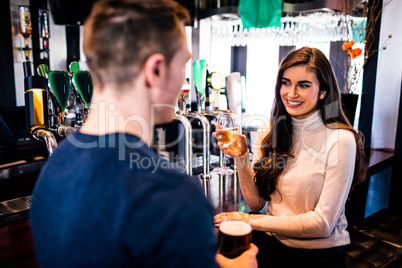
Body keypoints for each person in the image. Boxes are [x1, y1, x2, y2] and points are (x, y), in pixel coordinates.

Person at [29, 0, 258, 267]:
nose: (183, 80)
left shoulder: (56, 165)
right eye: (183, 64)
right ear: (156, 70)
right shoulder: (170, 197)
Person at [214, 47, 367, 267]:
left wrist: (250, 220)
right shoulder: (269, 130)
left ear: (323, 91)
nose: (291, 93)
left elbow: (322, 224)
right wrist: (242, 157)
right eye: (286, 83)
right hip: (272, 243)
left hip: (319, 254)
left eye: (303, 85)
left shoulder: (340, 139)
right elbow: (256, 203)